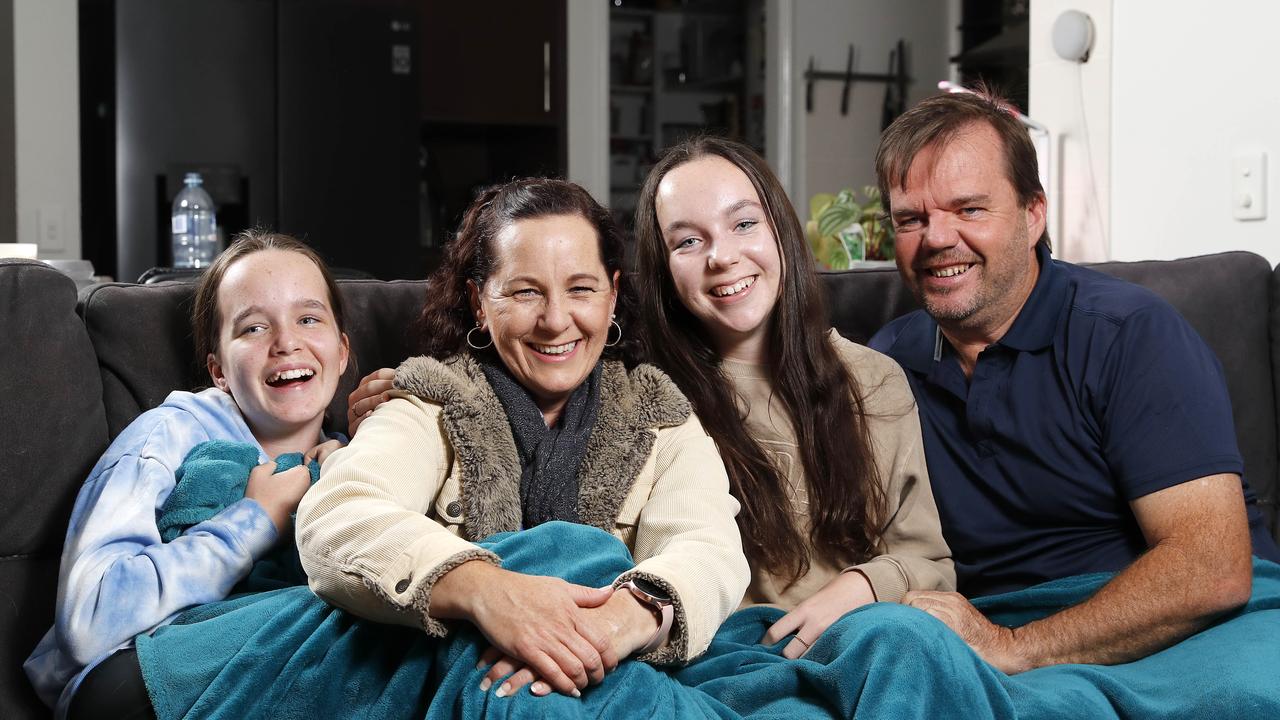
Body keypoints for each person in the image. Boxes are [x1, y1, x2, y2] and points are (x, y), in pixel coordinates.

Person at [867, 88, 1280, 673]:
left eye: (970, 209)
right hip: (985, 636)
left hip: (1188, 632)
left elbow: (1210, 566)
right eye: (911, 218)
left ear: (1033, 214)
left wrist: (1015, 648)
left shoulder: (1131, 335)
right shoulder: (883, 365)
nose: (936, 239)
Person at [296, 177, 749, 700]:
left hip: (616, 673)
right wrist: (490, 595)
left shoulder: (660, 415)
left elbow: (708, 547)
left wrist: (614, 626)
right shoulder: (430, 399)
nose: (556, 321)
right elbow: (338, 514)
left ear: (613, 294)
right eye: (525, 291)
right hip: (468, 678)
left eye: (581, 288)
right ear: (479, 303)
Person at [627, 135, 954, 660]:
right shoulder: (648, 401)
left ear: (780, 228)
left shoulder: (875, 381)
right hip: (724, 665)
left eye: (744, 223)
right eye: (688, 241)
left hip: (867, 645)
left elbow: (931, 564)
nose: (723, 257)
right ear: (661, 267)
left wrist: (865, 587)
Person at [24, 231, 351, 718]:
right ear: (218, 370)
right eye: (254, 328)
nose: (286, 343)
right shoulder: (166, 436)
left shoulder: (355, 457)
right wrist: (256, 518)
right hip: (137, 677)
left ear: (342, 352)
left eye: (308, 318)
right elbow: (89, 620)